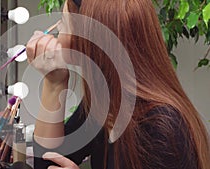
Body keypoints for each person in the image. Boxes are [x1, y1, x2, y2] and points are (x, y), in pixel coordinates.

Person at [26, 0, 210, 168]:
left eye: (64, 23)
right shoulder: (103, 105)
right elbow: (47, 162)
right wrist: (54, 82)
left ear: (90, 38)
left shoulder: (162, 127)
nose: (57, 31)